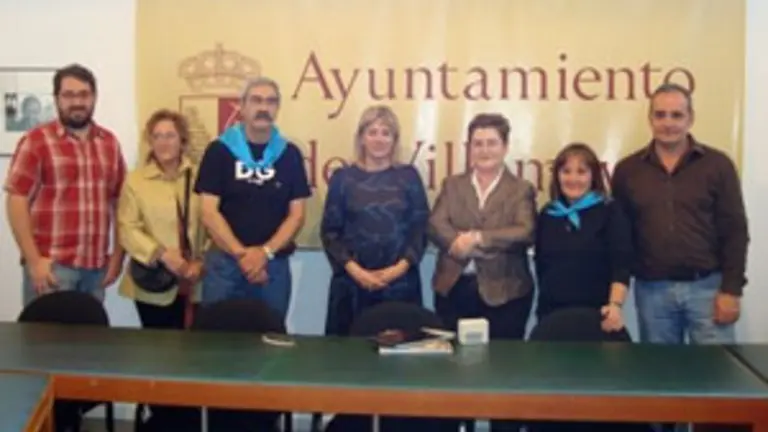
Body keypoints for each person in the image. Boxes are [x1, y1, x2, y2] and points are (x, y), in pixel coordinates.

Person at [612, 83, 749, 346]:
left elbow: (735, 230)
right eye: (660, 115)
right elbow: (622, 237)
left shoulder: (717, 165)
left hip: (708, 289)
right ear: (650, 118)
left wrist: (731, 289)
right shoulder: (628, 171)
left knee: (715, 375)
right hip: (653, 293)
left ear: (691, 118)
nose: (668, 123)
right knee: (661, 379)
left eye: (677, 115)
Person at [428, 112, 536, 432]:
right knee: (454, 372)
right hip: (454, 288)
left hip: (507, 293)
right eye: (478, 144)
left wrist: (478, 239)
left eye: (491, 143)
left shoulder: (521, 189)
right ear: (469, 147)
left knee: (504, 372)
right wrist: (457, 244)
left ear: (505, 146)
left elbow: (525, 231)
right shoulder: (452, 184)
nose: (484, 150)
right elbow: (436, 224)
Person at [5, 63, 126, 306]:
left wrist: (117, 257)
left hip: (95, 269)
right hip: (52, 268)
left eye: (83, 94)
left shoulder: (109, 143)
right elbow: (16, 200)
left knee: (90, 342)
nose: (77, 102)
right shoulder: (36, 141)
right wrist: (34, 260)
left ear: (94, 97)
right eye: (69, 95)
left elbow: (120, 202)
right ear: (57, 99)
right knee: (45, 343)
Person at [194, 76, 311, 322]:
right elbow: (208, 212)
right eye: (256, 100)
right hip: (224, 266)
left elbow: (297, 215)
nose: (263, 107)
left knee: (270, 345)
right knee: (217, 345)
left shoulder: (289, 154)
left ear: (277, 108)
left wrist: (264, 254)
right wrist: (243, 256)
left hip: (273, 267)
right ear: (242, 106)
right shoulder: (219, 150)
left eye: (270, 102)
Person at [321, 105, 430, 336]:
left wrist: (396, 270)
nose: (379, 139)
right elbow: (331, 233)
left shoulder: (409, 176)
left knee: (400, 365)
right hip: (352, 286)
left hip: (400, 286)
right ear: (361, 138)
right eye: (372, 132)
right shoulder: (342, 179)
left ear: (394, 139)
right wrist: (357, 272)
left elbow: (420, 229)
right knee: (351, 363)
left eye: (385, 133)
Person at [117, 109, 205, 330]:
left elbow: (213, 223)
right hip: (153, 284)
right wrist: (161, 254)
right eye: (157, 136)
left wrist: (202, 261)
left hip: (194, 282)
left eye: (170, 136)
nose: (163, 142)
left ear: (182, 141)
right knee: (157, 353)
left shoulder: (200, 177)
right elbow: (127, 228)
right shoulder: (136, 181)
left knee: (193, 353)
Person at [533, 142, 632, 331]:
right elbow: (541, 268)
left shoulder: (610, 211)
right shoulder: (548, 214)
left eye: (581, 172)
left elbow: (621, 265)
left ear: (593, 175)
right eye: (566, 171)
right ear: (557, 176)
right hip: (552, 315)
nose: (573, 179)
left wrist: (615, 306)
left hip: (599, 315)